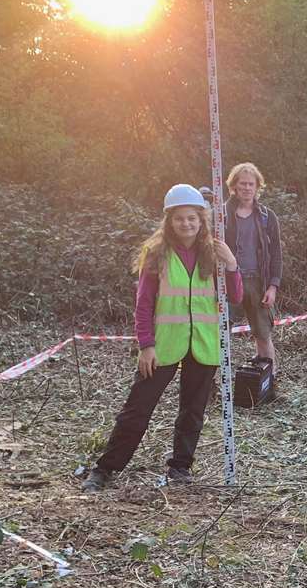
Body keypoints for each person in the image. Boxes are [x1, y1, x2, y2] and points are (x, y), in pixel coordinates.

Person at [83, 184, 243, 491]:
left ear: (201, 219)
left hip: (204, 345)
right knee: (137, 409)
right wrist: (146, 346)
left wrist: (233, 265)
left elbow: (234, 296)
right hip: (163, 346)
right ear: (169, 221)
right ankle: (105, 468)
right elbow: (143, 305)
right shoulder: (156, 254)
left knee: (193, 412)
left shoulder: (214, 251)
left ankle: (180, 467)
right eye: (180, 218)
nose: (186, 224)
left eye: (192, 218)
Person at [226, 161, 283, 373]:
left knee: (263, 333)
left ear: (258, 187)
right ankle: (212, 383)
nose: (247, 188)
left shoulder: (268, 217)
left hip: (258, 283)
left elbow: (276, 254)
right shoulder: (221, 215)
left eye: (251, 184)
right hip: (229, 283)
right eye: (242, 184)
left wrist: (273, 286)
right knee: (219, 334)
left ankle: (269, 379)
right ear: (234, 186)